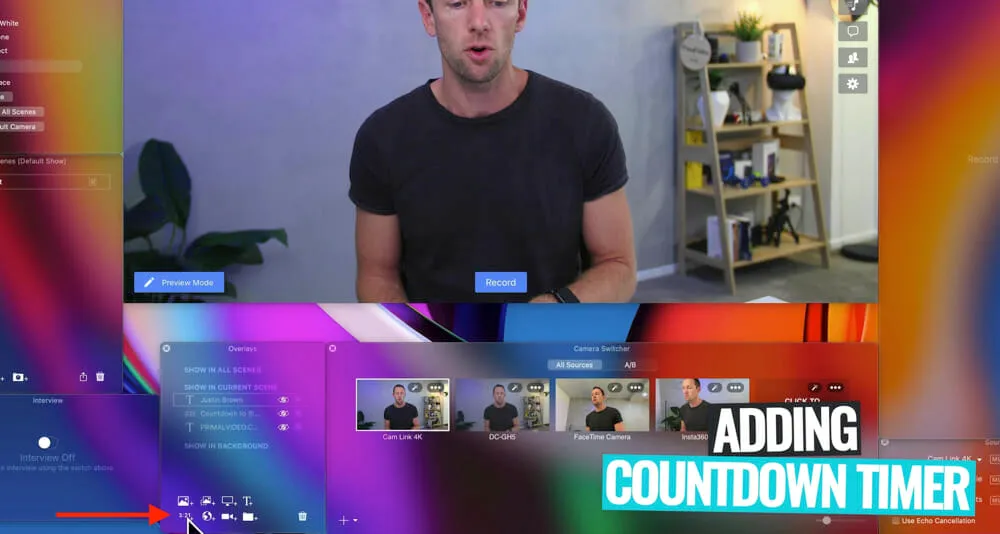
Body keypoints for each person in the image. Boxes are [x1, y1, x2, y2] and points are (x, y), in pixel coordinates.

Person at [350, 0, 637, 304]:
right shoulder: (383, 138)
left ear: (521, 13)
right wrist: (415, 331)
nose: (478, 22)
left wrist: (556, 308)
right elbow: (377, 276)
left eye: (497, 2)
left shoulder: (585, 122)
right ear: (428, 17)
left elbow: (618, 265)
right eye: (457, 4)